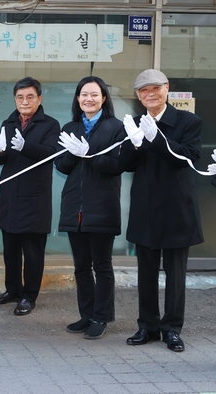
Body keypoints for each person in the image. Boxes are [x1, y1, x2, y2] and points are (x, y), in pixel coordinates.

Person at [120, 69, 203, 352]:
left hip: (177, 208)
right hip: (144, 208)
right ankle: (148, 326)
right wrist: (133, 142)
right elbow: (127, 164)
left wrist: (155, 140)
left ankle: (172, 329)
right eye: (143, 90)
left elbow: (187, 157)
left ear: (167, 88)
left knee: (176, 274)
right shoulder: (134, 123)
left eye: (155, 88)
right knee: (145, 273)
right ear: (138, 95)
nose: (150, 94)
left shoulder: (188, 121)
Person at [55, 76, 126, 339]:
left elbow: (118, 166)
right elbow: (61, 166)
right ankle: (86, 314)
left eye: (94, 94)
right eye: (84, 94)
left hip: (102, 205)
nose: (89, 99)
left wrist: (91, 157)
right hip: (75, 205)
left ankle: (101, 316)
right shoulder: (70, 127)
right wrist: (74, 154)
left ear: (104, 98)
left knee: (102, 266)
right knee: (81, 266)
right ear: (77, 99)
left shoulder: (116, 128)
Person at [0, 76, 61, 316]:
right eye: (20, 97)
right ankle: (13, 290)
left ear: (39, 98)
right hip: (10, 196)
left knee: (32, 252)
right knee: (10, 250)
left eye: (30, 96)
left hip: (34, 198)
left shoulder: (50, 124)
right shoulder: (8, 123)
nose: (25, 101)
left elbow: (51, 154)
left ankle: (30, 296)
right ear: (15, 99)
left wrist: (24, 146)